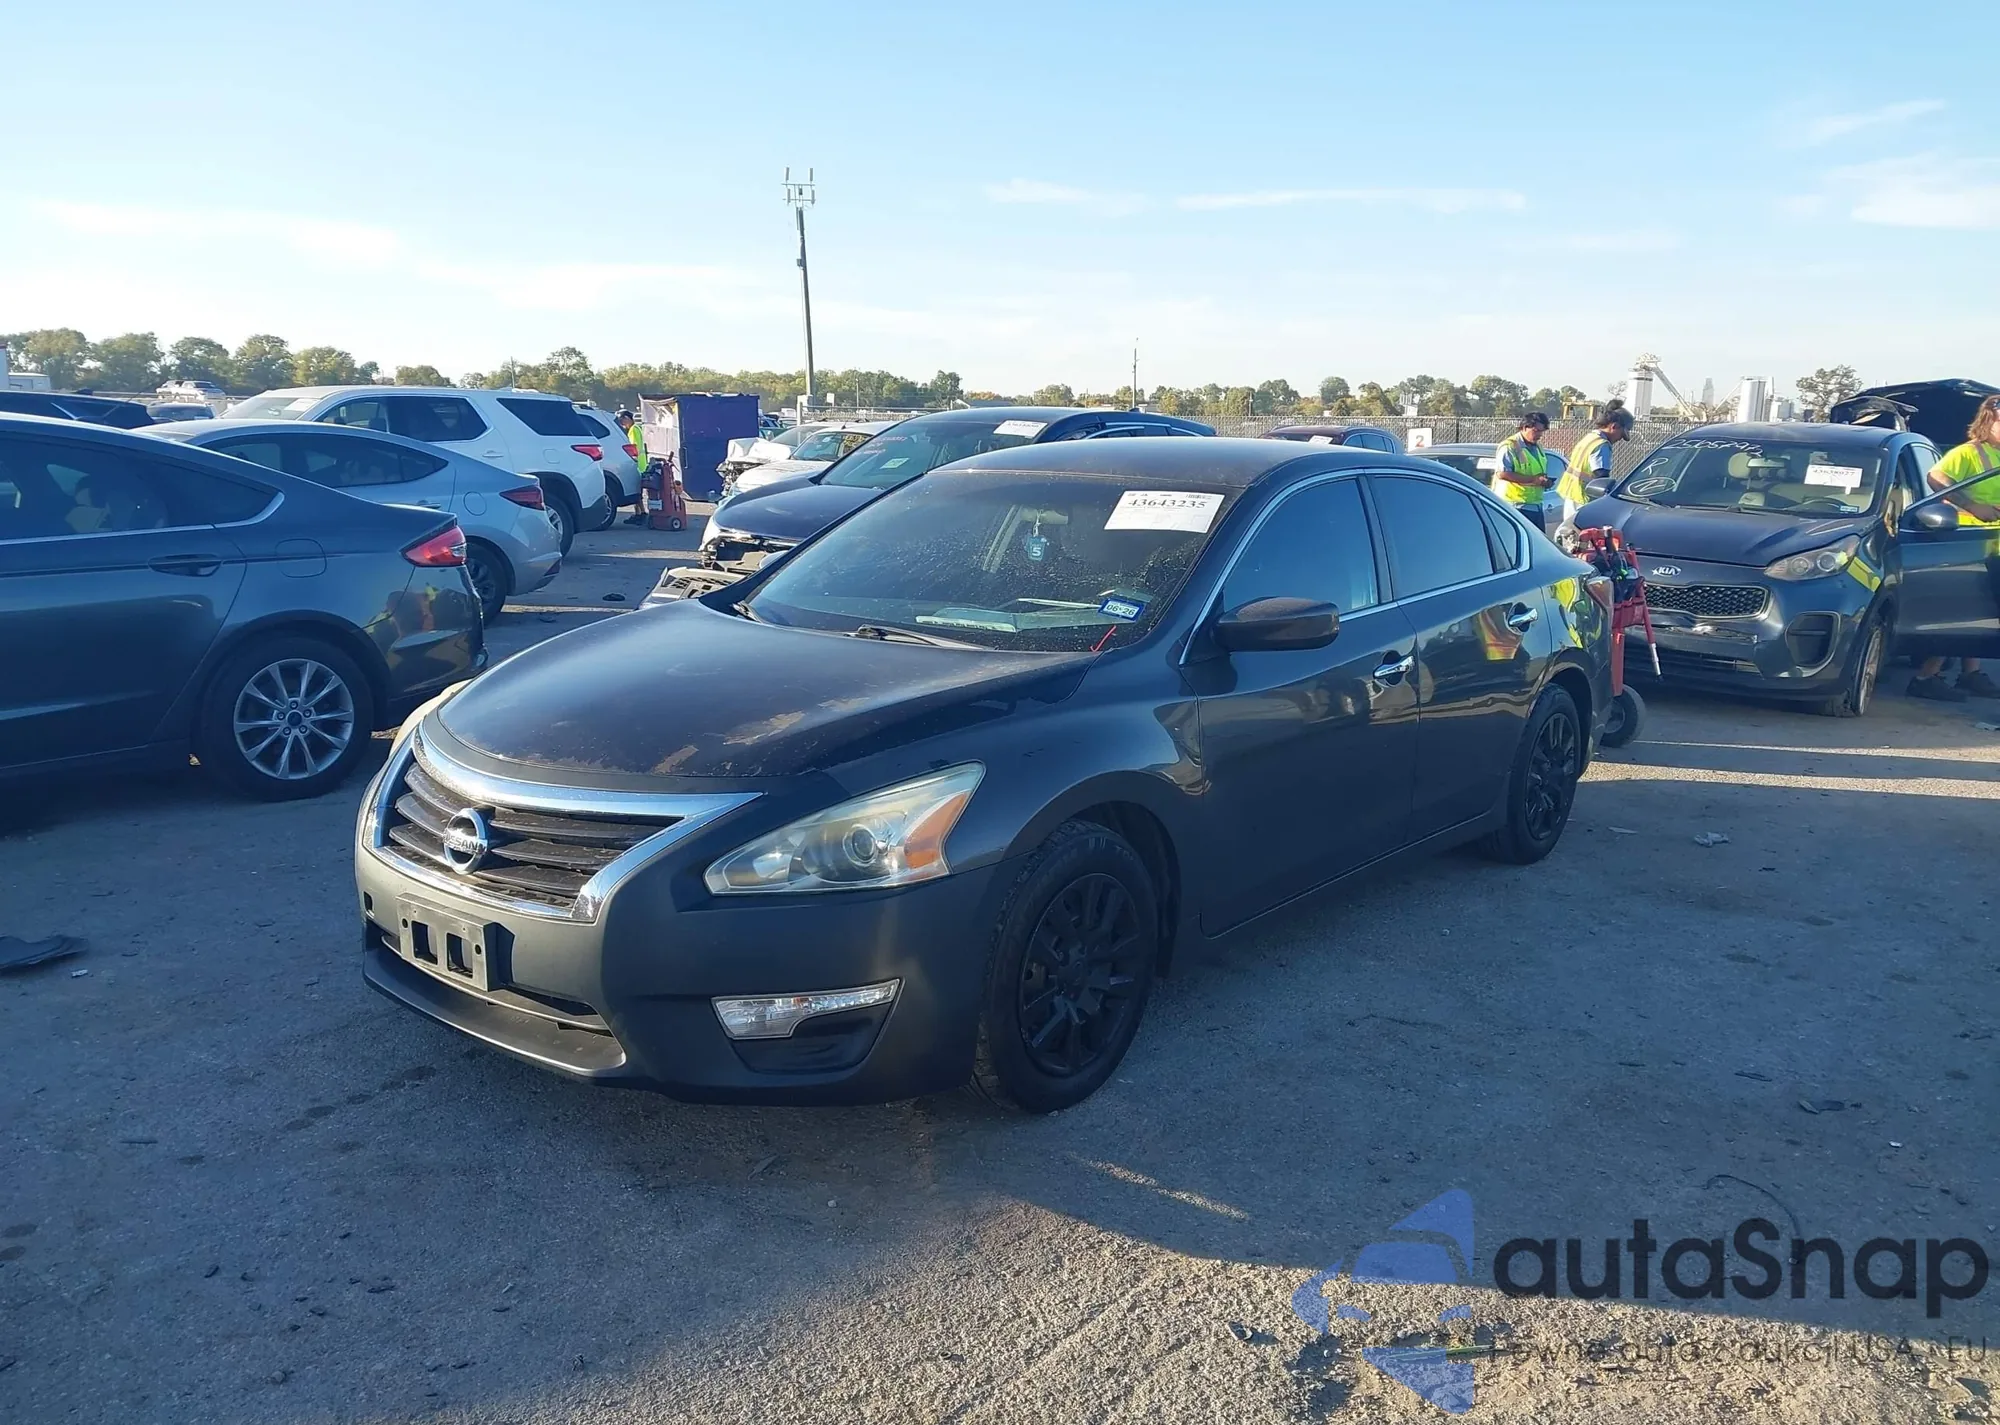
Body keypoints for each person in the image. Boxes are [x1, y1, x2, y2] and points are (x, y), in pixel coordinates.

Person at [1907, 393, 2000, 701]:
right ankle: (1925, 677)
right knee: (1964, 615)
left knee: (1982, 615)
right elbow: (1936, 477)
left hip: (1994, 548)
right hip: (1970, 545)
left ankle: (1970, 673)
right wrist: (1972, 506)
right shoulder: (1968, 453)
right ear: (1989, 420)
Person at [1556, 402, 1636, 524]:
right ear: (1614, 426)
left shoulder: (1590, 438)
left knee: (1569, 532)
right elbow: (1601, 478)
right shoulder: (1602, 445)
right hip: (1584, 500)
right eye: (1621, 434)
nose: (1620, 438)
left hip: (1571, 495)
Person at [1493, 412, 1554, 533]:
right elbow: (1502, 474)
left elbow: (1536, 472)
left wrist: (1544, 481)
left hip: (1535, 505)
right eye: (1537, 431)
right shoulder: (1509, 447)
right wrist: (1533, 480)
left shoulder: (1537, 447)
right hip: (1515, 506)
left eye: (1542, 431)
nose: (1540, 435)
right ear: (1525, 427)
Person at [617, 409, 651, 527]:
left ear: (627, 418)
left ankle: (642, 513)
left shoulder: (633, 430)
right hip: (640, 463)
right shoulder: (636, 428)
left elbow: (633, 447)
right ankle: (638, 513)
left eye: (622, 420)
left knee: (636, 492)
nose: (622, 424)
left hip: (637, 465)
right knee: (636, 490)